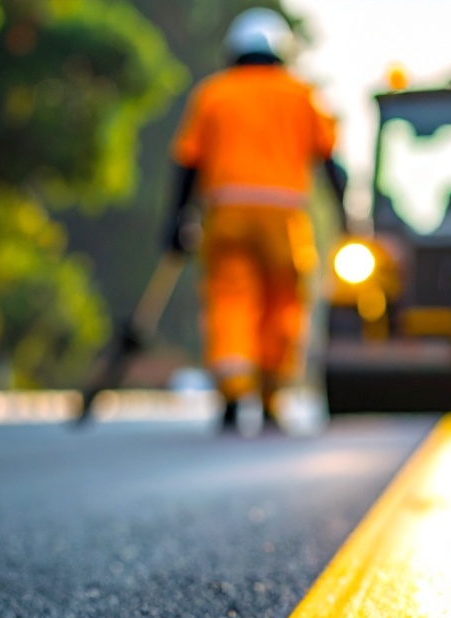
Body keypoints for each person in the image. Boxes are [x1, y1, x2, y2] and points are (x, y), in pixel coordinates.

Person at [162, 8, 346, 434]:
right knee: (283, 301)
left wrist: (176, 219)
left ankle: (232, 390)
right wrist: (346, 218)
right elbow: (329, 162)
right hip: (283, 220)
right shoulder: (301, 94)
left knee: (230, 297)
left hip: (227, 217)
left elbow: (187, 163)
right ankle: (270, 394)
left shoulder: (213, 94)